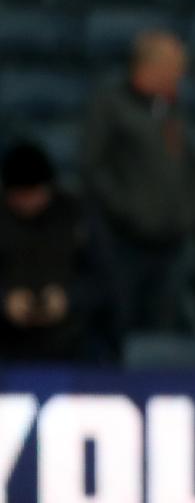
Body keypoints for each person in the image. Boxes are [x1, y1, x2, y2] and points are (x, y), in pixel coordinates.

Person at [83, 29, 195, 333]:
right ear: (151, 67)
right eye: (176, 68)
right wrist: (128, 211)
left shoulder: (172, 108)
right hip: (123, 244)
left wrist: (191, 212)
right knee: (121, 326)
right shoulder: (111, 105)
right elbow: (93, 167)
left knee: (162, 331)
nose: (180, 75)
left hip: (172, 242)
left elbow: (189, 167)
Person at [0, 141, 100, 360]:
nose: (28, 202)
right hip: (7, 348)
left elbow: (103, 281)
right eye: (20, 195)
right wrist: (5, 300)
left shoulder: (75, 215)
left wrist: (69, 298)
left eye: (34, 193)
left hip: (70, 346)